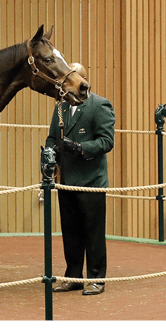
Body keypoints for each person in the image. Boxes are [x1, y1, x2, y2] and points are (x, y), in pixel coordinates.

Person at [45, 63, 115, 296]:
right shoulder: (61, 107)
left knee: (93, 234)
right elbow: (52, 137)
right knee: (70, 232)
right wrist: (49, 154)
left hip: (91, 182)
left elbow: (106, 142)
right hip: (66, 180)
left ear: (84, 80)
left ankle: (97, 279)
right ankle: (73, 277)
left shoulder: (100, 105)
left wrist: (79, 147)